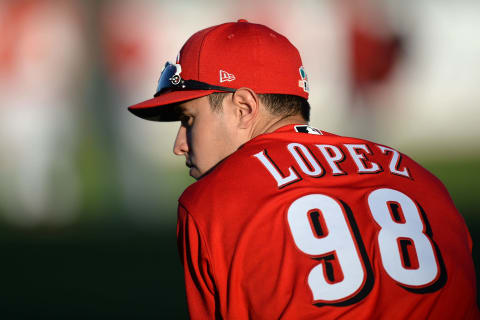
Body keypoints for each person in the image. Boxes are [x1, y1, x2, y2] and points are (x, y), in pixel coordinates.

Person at [128, 20, 479, 319]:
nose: (180, 145)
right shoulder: (423, 181)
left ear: (244, 108)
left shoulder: (211, 203)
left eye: (189, 120)